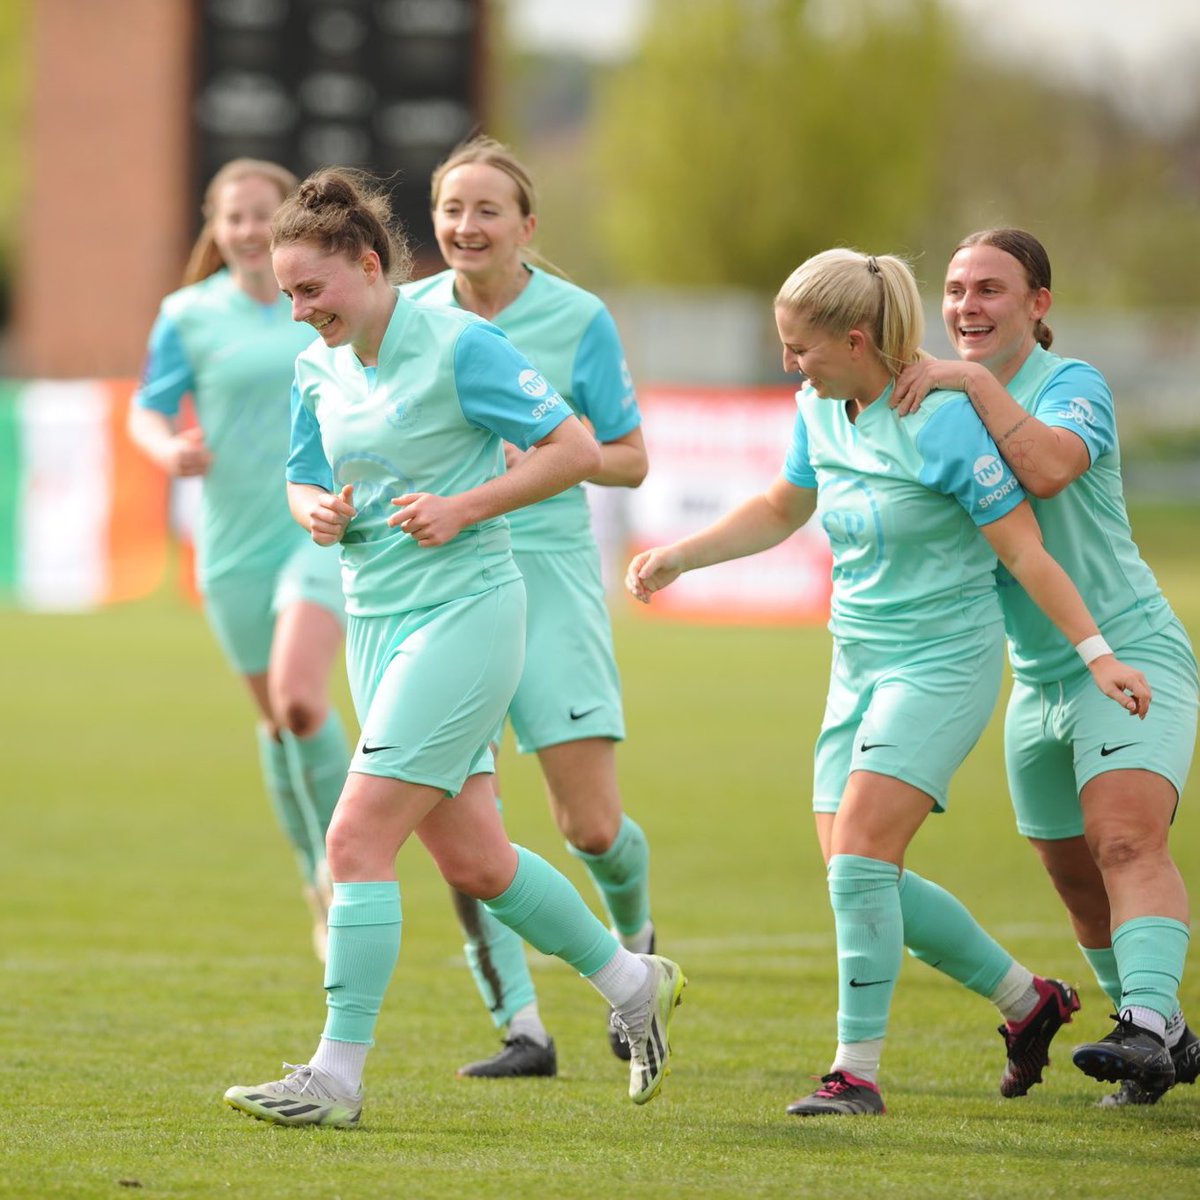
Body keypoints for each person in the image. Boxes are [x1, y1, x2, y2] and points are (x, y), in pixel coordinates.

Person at [627, 248, 1151, 1117]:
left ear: (859, 338)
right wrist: (681, 556)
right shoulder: (818, 407)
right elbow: (781, 506)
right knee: (853, 869)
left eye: (801, 348)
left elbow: (1025, 551)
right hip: (856, 662)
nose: (789, 364)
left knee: (862, 854)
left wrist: (1098, 654)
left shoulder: (942, 419)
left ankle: (856, 1073)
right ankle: (1030, 1003)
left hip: (944, 660)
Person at [222, 168, 686, 1129]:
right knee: (477, 862)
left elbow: (572, 448)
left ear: (368, 261)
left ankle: (334, 1077)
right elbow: (302, 477)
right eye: (289, 294)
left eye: (314, 290)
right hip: (378, 623)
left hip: (467, 614)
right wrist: (317, 511)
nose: (301, 310)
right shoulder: (319, 364)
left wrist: (465, 506)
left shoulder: (463, 343)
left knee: (354, 838)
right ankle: (633, 980)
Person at [891, 227, 1198, 1107]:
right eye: (954, 289)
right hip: (1038, 678)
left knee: (1126, 840)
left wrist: (974, 381)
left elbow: (1052, 469)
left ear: (1038, 304)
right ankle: (1160, 1039)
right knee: (1074, 879)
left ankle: (1145, 1020)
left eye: (990, 288)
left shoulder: (1071, 384)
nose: (966, 307)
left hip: (1127, 649)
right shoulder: (935, 400)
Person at [400, 135, 654, 1079]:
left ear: (526, 226)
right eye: (453, 210)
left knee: (590, 828)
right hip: (446, 578)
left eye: (487, 210)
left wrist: (546, 459)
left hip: (547, 574)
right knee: (462, 819)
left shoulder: (579, 317)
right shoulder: (406, 314)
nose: (467, 226)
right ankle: (523, 1027)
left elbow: (628, 456)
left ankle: (639, 949)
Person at [128, 159, 349, 961]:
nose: (250, 231)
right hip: (230, 549)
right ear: (214, 228)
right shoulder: (187, 316)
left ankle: (345, 864)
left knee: (299, 701)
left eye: (265, 215)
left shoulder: (323, 304)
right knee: (276, 725)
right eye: (235, 218)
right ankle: (314, 879)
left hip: (316, 531)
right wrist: (168, 451)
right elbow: (147, 409)